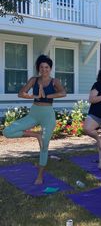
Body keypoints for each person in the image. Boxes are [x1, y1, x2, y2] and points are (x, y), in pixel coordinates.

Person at [3, 54, 66, 184]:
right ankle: (35, 134)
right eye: (41, 67)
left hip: (48, 114)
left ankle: (40, 175)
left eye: (47, 67)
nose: (44, 69)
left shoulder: (55, 81)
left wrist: (47, 95)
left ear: (50, 68)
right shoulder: (34, 80)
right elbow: (20, 93)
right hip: (34, 112)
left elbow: (63, 93)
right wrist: (35, 95)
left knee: (44, 146)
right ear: (38, 68)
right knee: (7, 132)